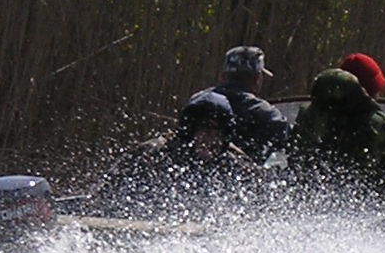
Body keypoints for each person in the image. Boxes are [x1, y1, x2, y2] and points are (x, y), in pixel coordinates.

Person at [91, 90, 261, 220]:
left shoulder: (234, 163)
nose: (212, 140)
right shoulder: (152, 155)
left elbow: (260, 196)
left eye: (218, 133)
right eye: (205, 130)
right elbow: (103, 196)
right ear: (189, 131)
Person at [286, 67, 385, 203]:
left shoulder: (306, 119)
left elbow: (294, 162)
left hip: (306, 203)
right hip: (369, 211)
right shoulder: (380, 128)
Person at [212, 45, 290, 163]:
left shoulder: (200, 101)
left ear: (222, 76)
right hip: (244, 177)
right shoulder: (267, 114)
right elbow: (286, 144)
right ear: (257, 79)